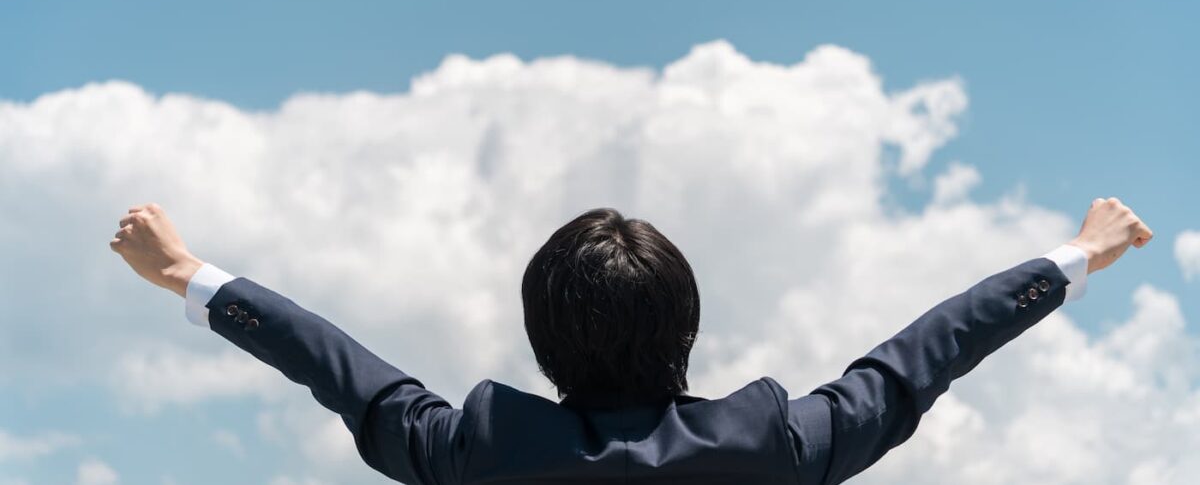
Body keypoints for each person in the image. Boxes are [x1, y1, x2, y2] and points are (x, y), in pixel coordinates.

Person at [109, 197, 1153, 485]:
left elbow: (343, 371)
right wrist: (1073, 255)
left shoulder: (478, 449)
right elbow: (927, 351)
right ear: (686, 326)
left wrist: (190, 275)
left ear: (539, 335)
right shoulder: (773, 448)